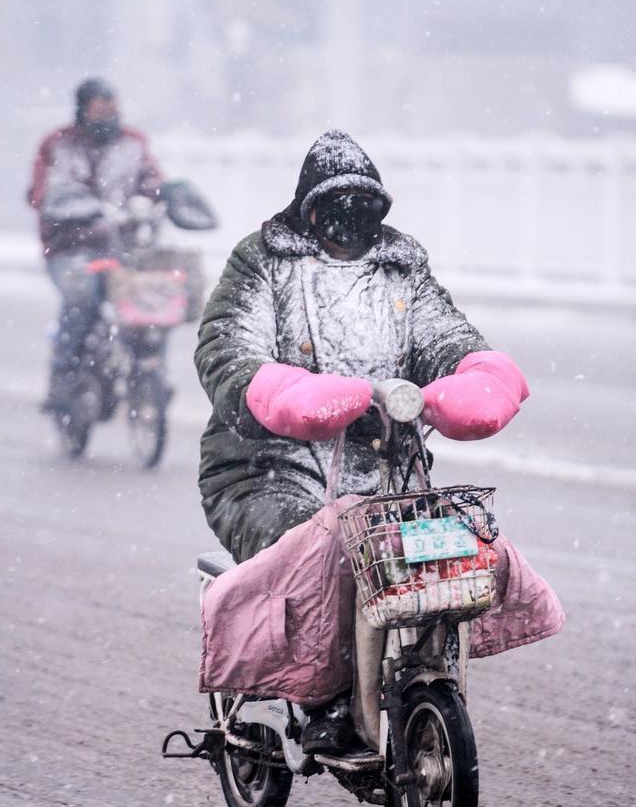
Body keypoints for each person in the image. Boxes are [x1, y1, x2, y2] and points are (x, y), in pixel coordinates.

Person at [194, 130, 540, 753]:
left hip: (382, 476)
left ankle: (420, 671)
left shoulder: (401, 269)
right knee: (328, 556)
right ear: (308, 211)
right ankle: (323, 695)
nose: (349, 224)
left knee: (453, 550)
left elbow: (447, 337)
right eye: (335, 209)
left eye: (364, 209)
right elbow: (226, 349)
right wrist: (288, 396)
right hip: (266, 471)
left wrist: (478, 376)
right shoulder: (262, 263)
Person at [27, 77, 163, 410]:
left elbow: (154, 181)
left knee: (152, 300)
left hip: (124, 248)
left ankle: (148, 370)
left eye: (112, 107)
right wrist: (75, 211)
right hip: (69, 248)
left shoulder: (134, 143)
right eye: (100, 108)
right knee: (82, 297)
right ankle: (64, 377)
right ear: (83, 109)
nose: (107, 115)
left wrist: (150, 201)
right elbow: (41, 192)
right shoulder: (57, 145)